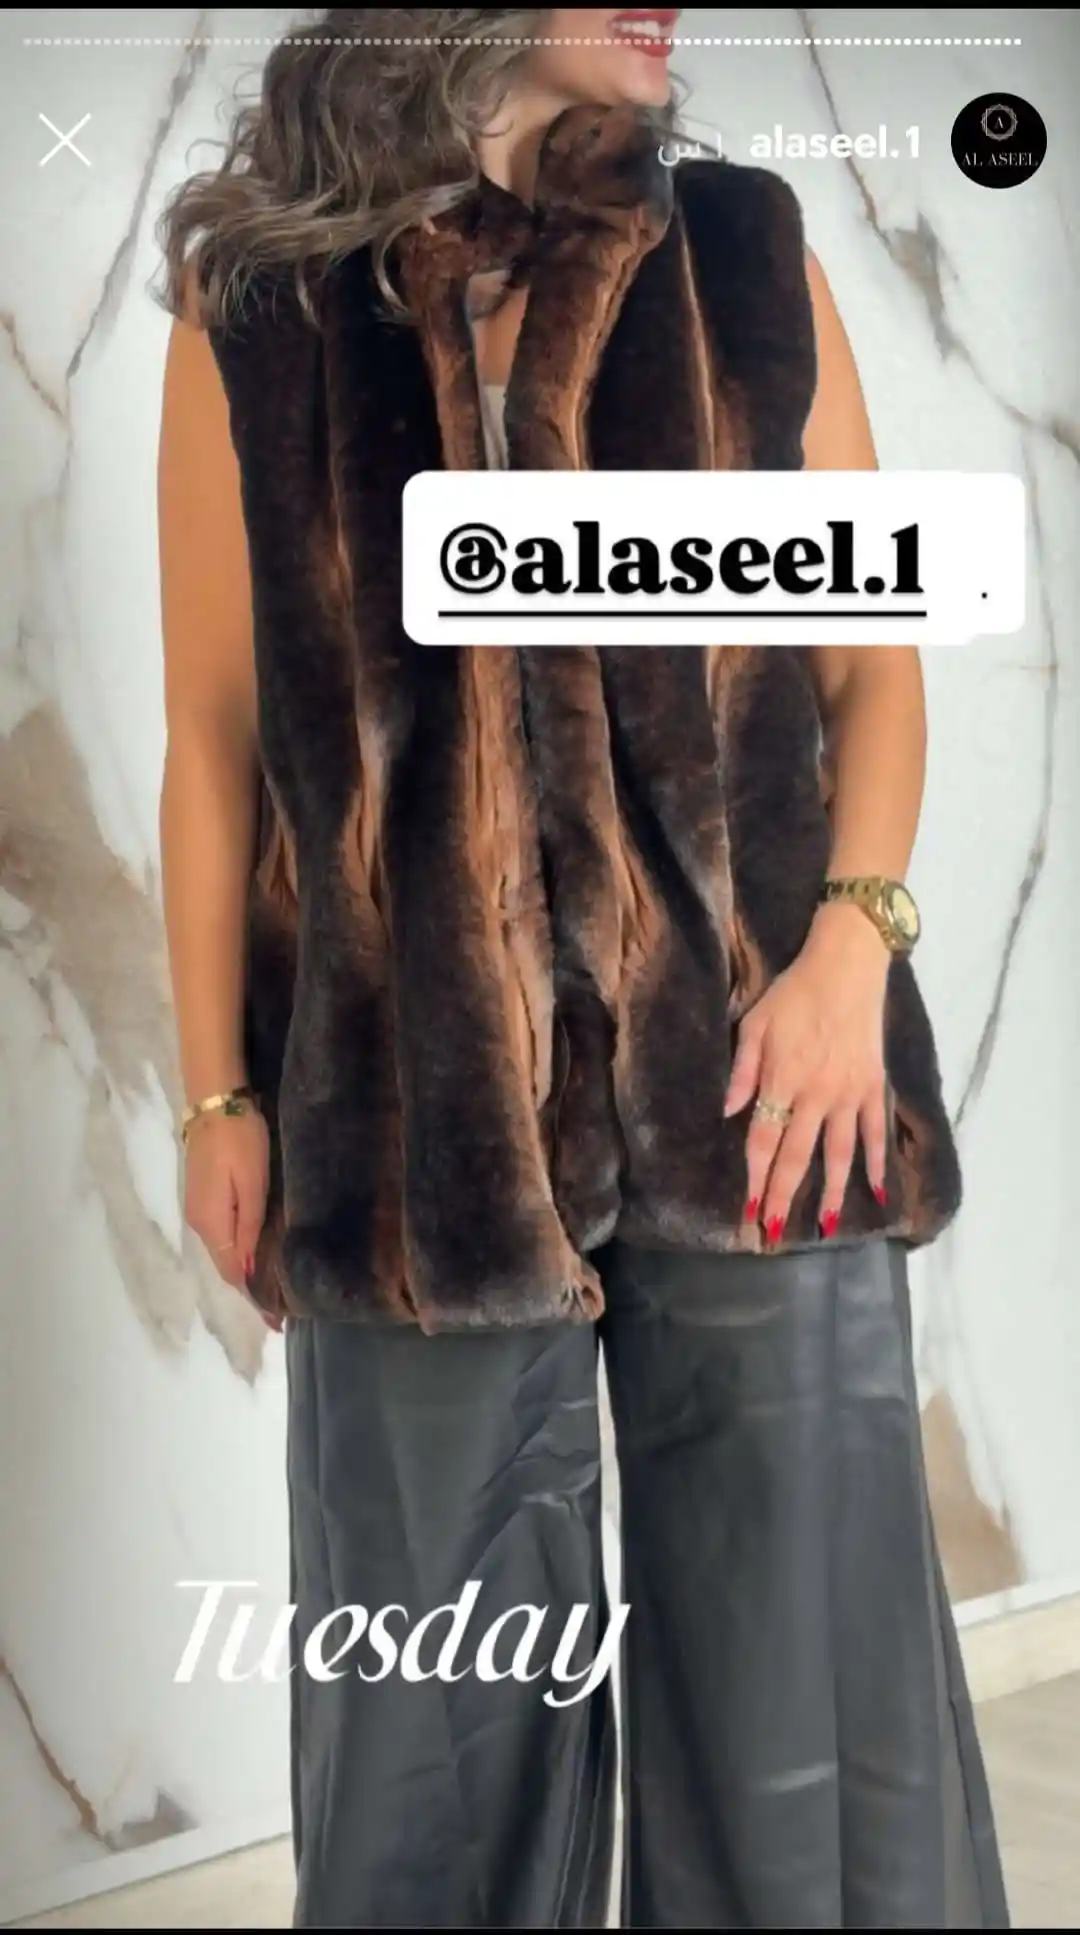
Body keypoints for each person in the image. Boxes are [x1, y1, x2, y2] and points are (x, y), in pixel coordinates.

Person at [156, 8, 1009, 1928]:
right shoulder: (257, 315)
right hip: (413, 1127)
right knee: (428, 1742)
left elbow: (874, 674)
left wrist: (850, 953)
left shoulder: (745, 256)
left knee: (810, 1717)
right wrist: (215, 1091)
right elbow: (212, 743)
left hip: (770, 1085)